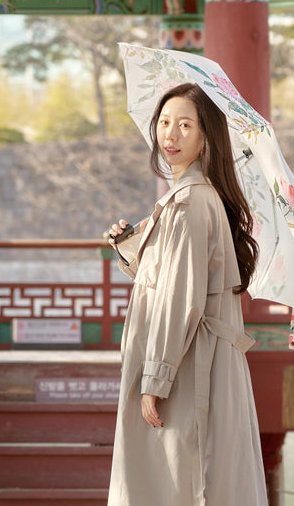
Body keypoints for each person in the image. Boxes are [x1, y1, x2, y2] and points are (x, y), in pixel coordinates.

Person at [107, 83, 268, 506]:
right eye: (164, 122)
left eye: (184, 125)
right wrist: (129, 245)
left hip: (186, 366)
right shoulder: (185, 199)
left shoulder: (191, 202)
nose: (170, 135)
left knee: (181, 481)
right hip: (187, 358)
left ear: (205, 138)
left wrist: (156, 378)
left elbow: (180, 298)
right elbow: (168, 277)